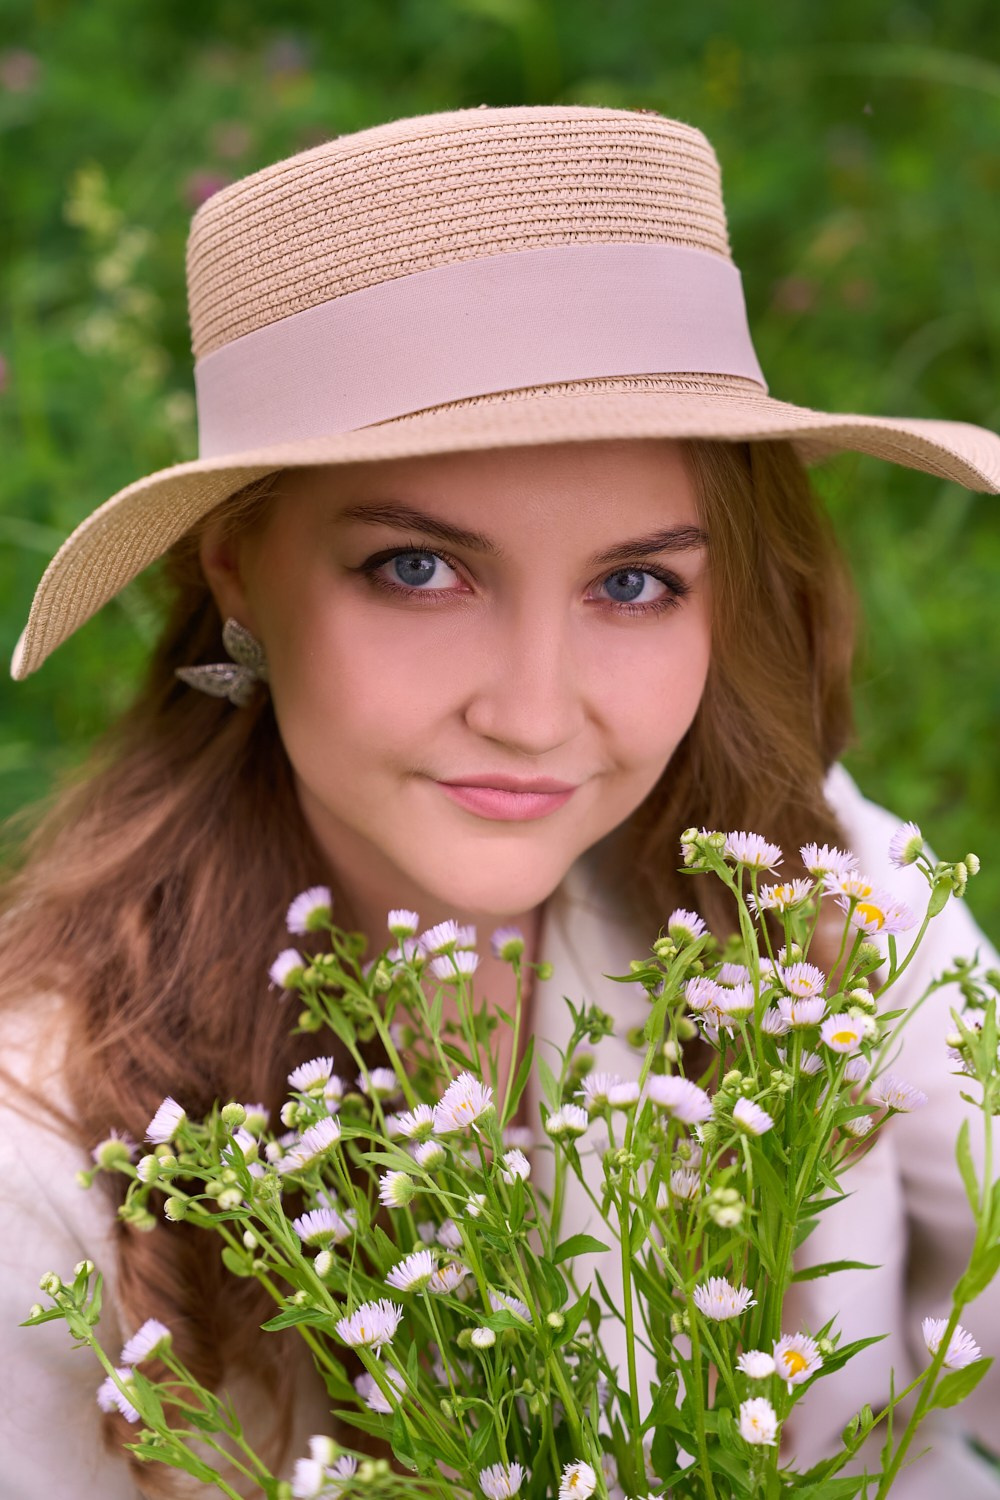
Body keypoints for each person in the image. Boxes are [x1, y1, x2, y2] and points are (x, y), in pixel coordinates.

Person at [0, 102, 998, 1498]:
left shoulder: (798, 876)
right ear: (237, 567)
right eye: (419, 570)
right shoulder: (42, 1167)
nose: (533, 713)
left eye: (634, 583)